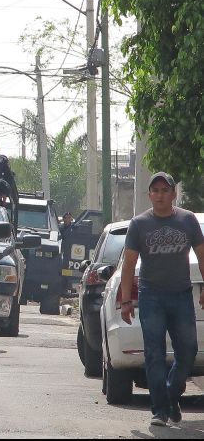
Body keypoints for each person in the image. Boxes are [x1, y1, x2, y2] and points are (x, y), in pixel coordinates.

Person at [120, 172, 204, 427]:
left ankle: (172, 392)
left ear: (173, 193)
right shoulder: (139, 224)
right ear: (149, 195)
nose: (160, 195)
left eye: (164, 190)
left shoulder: (187, 220)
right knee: (154, 354)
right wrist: (126, 301)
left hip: (180, 295)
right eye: (155, 191)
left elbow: (202, 256)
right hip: (151, 296)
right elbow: (129, 263)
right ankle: (160, 410)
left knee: (188, 350)